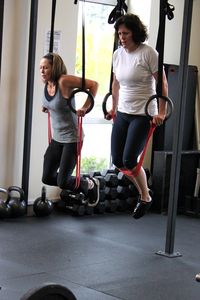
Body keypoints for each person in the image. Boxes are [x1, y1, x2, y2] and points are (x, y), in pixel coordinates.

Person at [105, 13, 168, 219]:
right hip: (123, 112)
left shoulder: (149, 53)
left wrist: (161, 112)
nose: (122, 37)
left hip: (143, 114)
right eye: (119, 33)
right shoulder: (118, 54)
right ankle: (145, 193)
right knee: (118, 161)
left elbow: (162, 84)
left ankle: (144, 196)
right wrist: (113, 108)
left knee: (130, 159)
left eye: (126, 33)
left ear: (135, 33)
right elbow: (115, 83)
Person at [39, 52, 100, 206]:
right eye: (40, 68)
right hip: (56, 138)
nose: (42, 71)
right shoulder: (47, 84)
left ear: (54, 68)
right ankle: (84, 184)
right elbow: (54, 103)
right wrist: (46, 107)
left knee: (63, 181)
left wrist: (85, 107)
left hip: (72, 139)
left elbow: (94, 85)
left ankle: (89, 184)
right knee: (47, 177)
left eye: (45, 68)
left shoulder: (64, 81)